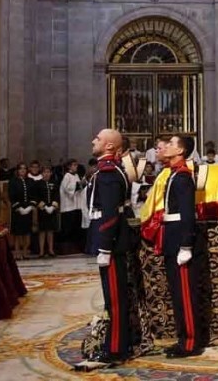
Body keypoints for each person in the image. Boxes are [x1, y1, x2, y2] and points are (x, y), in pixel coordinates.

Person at [85, 128, 132, 366]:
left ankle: (116, 349)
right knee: (111, 297)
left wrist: (104, 247)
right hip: (110, 241)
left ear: (110, 146)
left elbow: (111, 214)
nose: (93, 141)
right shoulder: (107, 169)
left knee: (114, 298)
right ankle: (116, 344)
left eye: (98, 139)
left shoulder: (109, 173)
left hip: (111, 244)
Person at [160, 134, 205, 358]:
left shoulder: (183, 177)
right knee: (178, 293)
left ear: (180, 151)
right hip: (172, 237)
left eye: (171, 144)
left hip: (180, 239)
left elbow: (187, 214)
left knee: (185, 294)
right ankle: (183, 338)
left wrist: (186, 245)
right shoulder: (175, 174)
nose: (166, 146)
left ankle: (190, 343)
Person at [9, 163, 36, 260]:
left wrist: (30, 207)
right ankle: (17, 253)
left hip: (28, 209)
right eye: (21, 169)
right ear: (17, 170)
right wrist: (19, 208)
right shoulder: (13, 181)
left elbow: (34, 195)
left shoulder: (31, 181)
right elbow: (11, 196)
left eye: (24, 168)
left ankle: (25, 253)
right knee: (18, 233)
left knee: (27, 232)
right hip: (17, 210)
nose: (23, 170)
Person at [59, 159, 85, 253]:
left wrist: (82, 184)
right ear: (69, 166)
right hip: (68, 207)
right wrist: (78, 185)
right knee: (68, 229)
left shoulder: (76, 175)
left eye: (76, 165)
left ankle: (75, 247)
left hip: (76, 205)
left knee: (76, 228)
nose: (76, 167)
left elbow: (79, 188)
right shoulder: (67, 176)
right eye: (74, 165)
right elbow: (67, 189)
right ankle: (66, 248)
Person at [36, 165, 60, 257]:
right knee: (42, 231)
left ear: (51, 173)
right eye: (44, 172)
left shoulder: (54, 183)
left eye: (48, 172)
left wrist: (53, 206)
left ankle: (50, 250)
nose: (46, 174)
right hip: (42, 209)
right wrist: (44, 206)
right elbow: (36, 197)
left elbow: (56, 195)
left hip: (52, 209)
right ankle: (41, 251)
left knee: (50, 230)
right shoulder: (38, 184)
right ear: (42, 173)